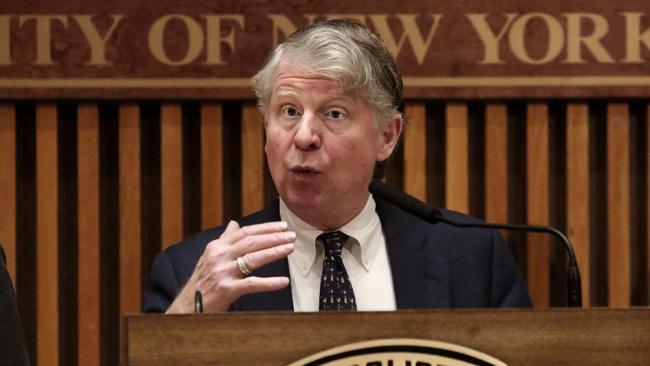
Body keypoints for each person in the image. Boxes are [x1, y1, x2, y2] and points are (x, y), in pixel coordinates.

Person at [144, 19, 531, 313]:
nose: (304, 136)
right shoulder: (188, 269)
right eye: (289, 111)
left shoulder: (473, 257)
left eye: (334, 113)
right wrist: (189, 313)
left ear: (387, 136)